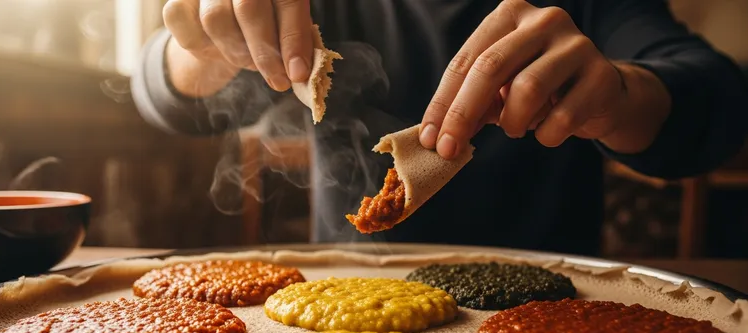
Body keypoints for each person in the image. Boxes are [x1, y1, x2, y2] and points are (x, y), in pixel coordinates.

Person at [131, 0, 748, 256]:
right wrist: (200, 49)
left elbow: (719, 101)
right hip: (344, 317)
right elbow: (166, 103)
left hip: (554, 312)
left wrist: (618, 96)